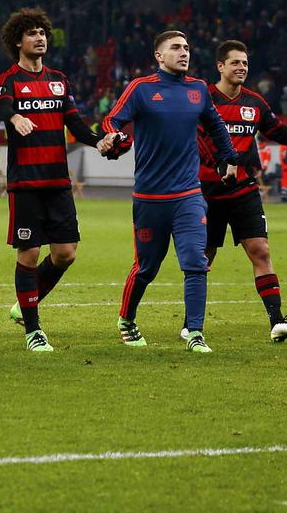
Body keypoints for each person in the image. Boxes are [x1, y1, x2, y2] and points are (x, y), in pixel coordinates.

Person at [101, 30, 239, 353]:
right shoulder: (141, 89)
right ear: (159, 57)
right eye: (175, 48)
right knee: (147, 267)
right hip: (150, 198)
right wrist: (112, 137)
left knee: (195, 261)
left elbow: (216, 126)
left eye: (187, 47)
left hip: (188, 195)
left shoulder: (198, 89)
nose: (184, 52)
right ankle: (127, 320)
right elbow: (113, 120)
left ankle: (194, 332)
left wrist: (228, 157)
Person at [192, 40, 287, 343]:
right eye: (235, 63)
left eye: (244, 63)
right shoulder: (203, 98)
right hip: (206, 193)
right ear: (220, 66)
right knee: (203, 258)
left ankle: (276, 321)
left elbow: (283, 134)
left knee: (261, 251)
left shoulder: (254, 103)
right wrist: (216, 164)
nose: (241, 67)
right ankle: (193, 324)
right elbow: (192, 138)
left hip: (243, 191)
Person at [0, 8, 105, 351]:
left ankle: (25, 301)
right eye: (32, 33)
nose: (39, 37)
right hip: (26, 183)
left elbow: (74, 121)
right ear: (18, 41)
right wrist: (14, 117)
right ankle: (33, 329)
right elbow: (0, 106)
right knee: (28, 256)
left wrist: (98, 140)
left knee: (66, 254)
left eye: (43, 32)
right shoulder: (8, 78)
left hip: (58, 182)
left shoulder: (59, 80)